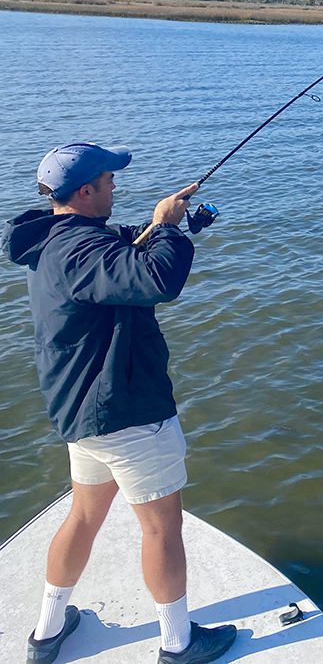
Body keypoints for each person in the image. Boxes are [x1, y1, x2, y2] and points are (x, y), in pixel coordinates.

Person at [2, 143, 237, 664]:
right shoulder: (82, 253)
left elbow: (120, 253)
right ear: (85, 191)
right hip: (126, 414)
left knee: (84, 516)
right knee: (161, 528)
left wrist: (166, 224)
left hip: (82, 415)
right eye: (109, 180)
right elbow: (156, 280)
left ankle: (48, 630)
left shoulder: (53, 241)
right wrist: (169, 231)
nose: (116, 186)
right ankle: (179, 644)